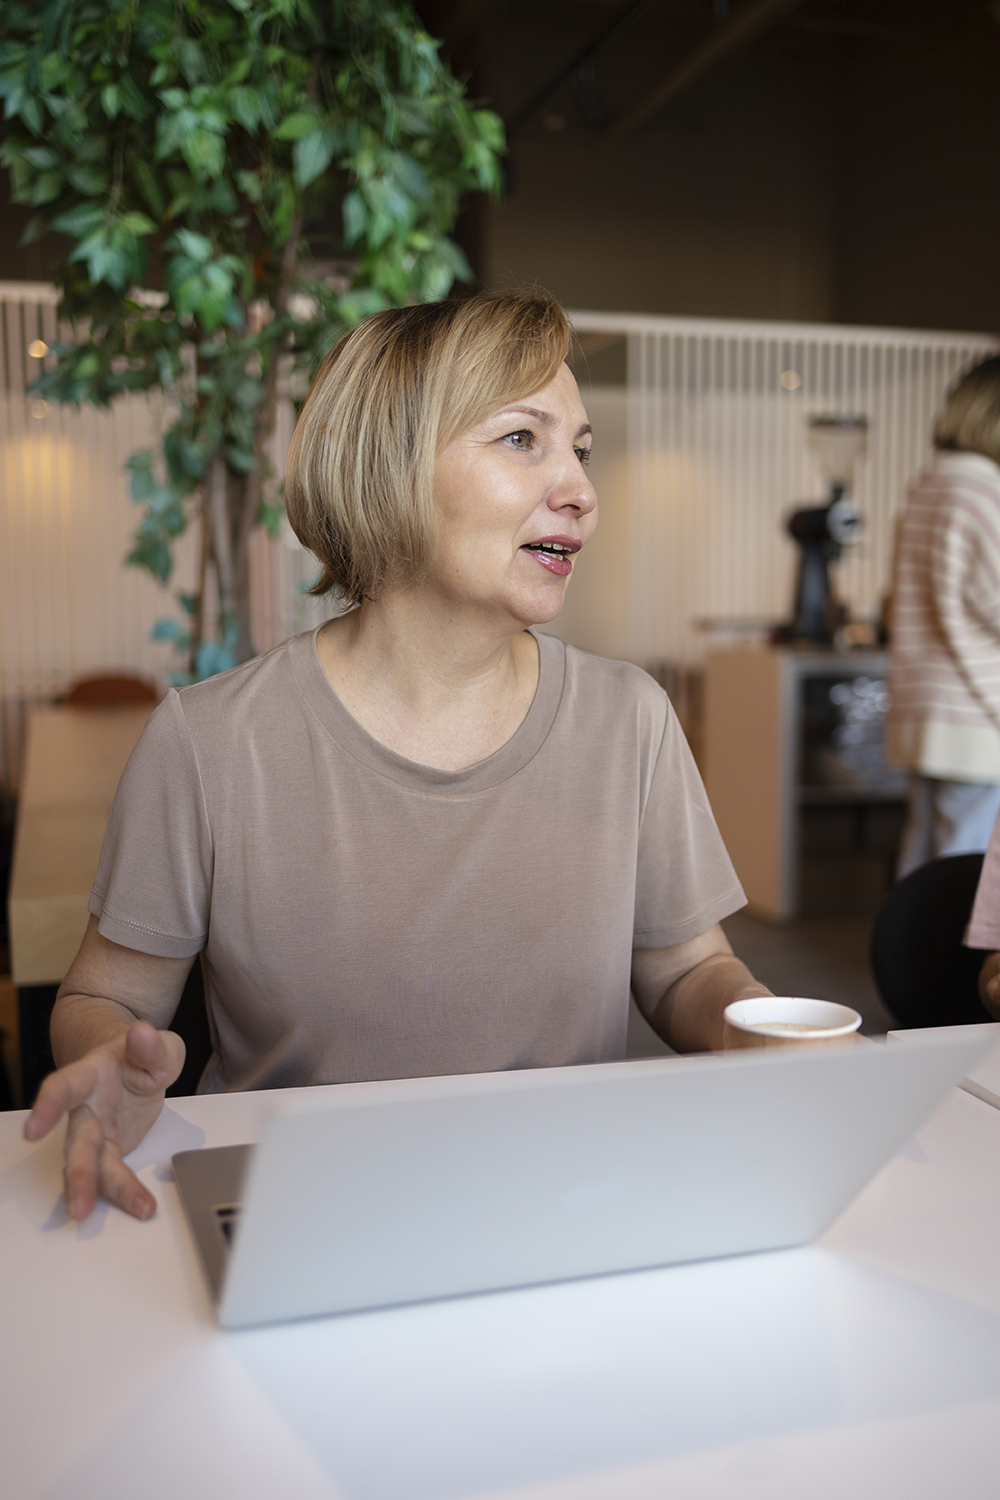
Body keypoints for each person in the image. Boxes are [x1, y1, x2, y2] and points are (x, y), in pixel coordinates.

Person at [24, 290, 768, 1224]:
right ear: (391, 467)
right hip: (300, 1215)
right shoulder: (210, 742)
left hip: (561, 1205)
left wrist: (766, 1035)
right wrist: (103, 1055)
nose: (579, 487)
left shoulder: (632, 720)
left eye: (580, 448)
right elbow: (103, 993)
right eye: (521, 440)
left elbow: (686, 969)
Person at [887, 357, 1000, 880]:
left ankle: (907, 962)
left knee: (923, 862)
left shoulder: (927, 487)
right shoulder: (982, 493)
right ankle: (951, 966)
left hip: (924, 709)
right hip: (973, 716)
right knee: (965, 876)